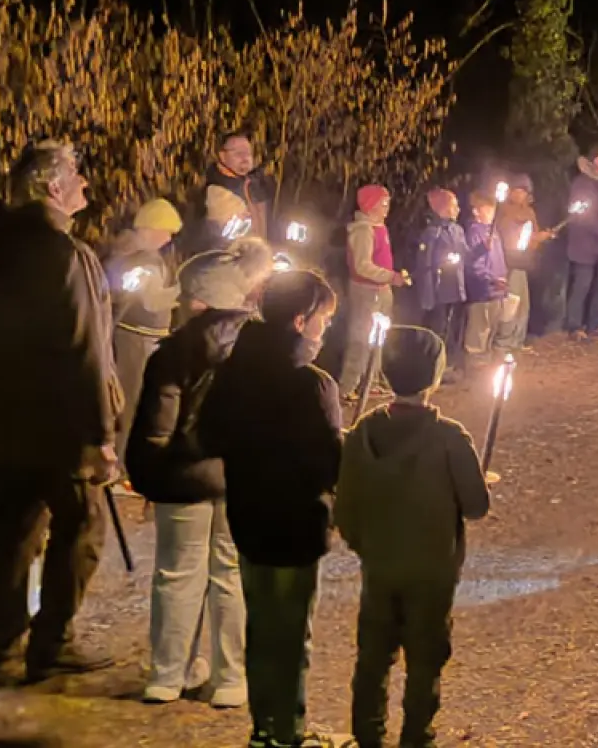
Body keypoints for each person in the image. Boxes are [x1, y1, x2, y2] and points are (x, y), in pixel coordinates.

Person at [0, 140, 120, 680]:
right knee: (82, 527)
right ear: (54, 186)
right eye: (77, 173)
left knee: (11, 533)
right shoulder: (65, 254)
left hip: (10, 419)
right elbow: (86, 348)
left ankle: (1, 649)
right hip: (61, 425)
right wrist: (101, 434)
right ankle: (52, 641)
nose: (85, 183)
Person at [195, 271, 345, 748]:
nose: (325, 329)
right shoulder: (311, 384)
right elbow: (329, 465)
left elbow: (208, 435)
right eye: (323, 319)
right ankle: (287, 732)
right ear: (300, 321)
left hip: (249, 516)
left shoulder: (233, 372)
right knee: (292, 635)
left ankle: (263, 729)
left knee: (260, 627)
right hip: (296, 524)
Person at [126, 245, 274, 707]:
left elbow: (157, 428)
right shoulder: (264, 351)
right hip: (242, 481)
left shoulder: (171, 353)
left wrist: (149, 477)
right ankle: (232, 678)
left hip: (182, 480)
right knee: (232, 575)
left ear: (197, 300)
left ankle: (168, 674)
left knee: (176, 574)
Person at [336, 326, 491, 748]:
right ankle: (416, 738)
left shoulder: (362, 433)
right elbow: (476, 506)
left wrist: (367, 545)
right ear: (435, 377)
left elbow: (345, 507)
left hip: (380, 567)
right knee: (425, 659)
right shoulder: (450, 438)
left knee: (373, 656)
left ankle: (368, 735)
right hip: (432, 571)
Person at [102, 199, 184, 475]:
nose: (169, 239)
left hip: (135, 336)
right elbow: (149, 301)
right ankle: (118, 465)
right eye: (166, 231)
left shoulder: (131, 255)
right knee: (128, 400)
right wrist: (183, 291)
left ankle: (120, 462)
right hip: (135, 339)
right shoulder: (142, 261)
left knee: (131, 400)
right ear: (150, 228)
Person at [339, 185, 407, 400]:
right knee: (361, 338)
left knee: (379, 337)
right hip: (366, 292)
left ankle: (371, 382)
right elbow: (362, 266)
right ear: (370, 205)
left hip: (381, 289)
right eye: (383, 203)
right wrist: (390, 276)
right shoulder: (362, 231)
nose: (387, 207)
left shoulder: (379, 228)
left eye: (387, 203)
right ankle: (347, 387)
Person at [185, 132, 277, 255]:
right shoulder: (217, 192)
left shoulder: (254, 185)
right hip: (229, 261)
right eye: (238, 153)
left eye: (248, 152)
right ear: (222, 156)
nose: (245, 158)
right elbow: (242, 242)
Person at [565, 144, 598, 341]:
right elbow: (584, 217)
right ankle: (575, 326)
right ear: (593, 159)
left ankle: (594, 324)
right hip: (584, 244)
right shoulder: (581, 183)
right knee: (582, 286)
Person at [415, 188, 469, 378]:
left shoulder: (457, 230)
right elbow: (425, 265)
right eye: (454, 205)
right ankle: (431, 369)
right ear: (442, 208)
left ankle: (447, 364)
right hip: (439, 291)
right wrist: (427, 296)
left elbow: (465, 254)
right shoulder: (432, 233)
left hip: (455, 288)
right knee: (437, 329)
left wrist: (482, 249)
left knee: (451, 328)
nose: (458, 209)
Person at [493, 175, 550, 352]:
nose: (519, 194)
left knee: (523, 304)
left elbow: (531, 238)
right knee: (511, 303)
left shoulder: (529, 212)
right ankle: (504, 342)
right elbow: (508, 235)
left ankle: (517, 341)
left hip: (523, 263)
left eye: (523, 191)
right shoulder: (503, 210)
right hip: (509, 263)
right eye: (516, 190)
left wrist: (540, 238)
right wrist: (535, 237)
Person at [464, 191, 509, 361]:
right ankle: (475, 366)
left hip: (497, 292)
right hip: (482, 292)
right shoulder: (474, 233)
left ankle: (487, 363)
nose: (492, 213)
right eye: (488, 209)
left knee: (491, 331)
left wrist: (502, 277)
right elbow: (472, 264)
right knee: (478, 333)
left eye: (493, 209)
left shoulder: (493, 231)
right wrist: (491, 279)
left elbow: (498, 258)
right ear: (476, 211)